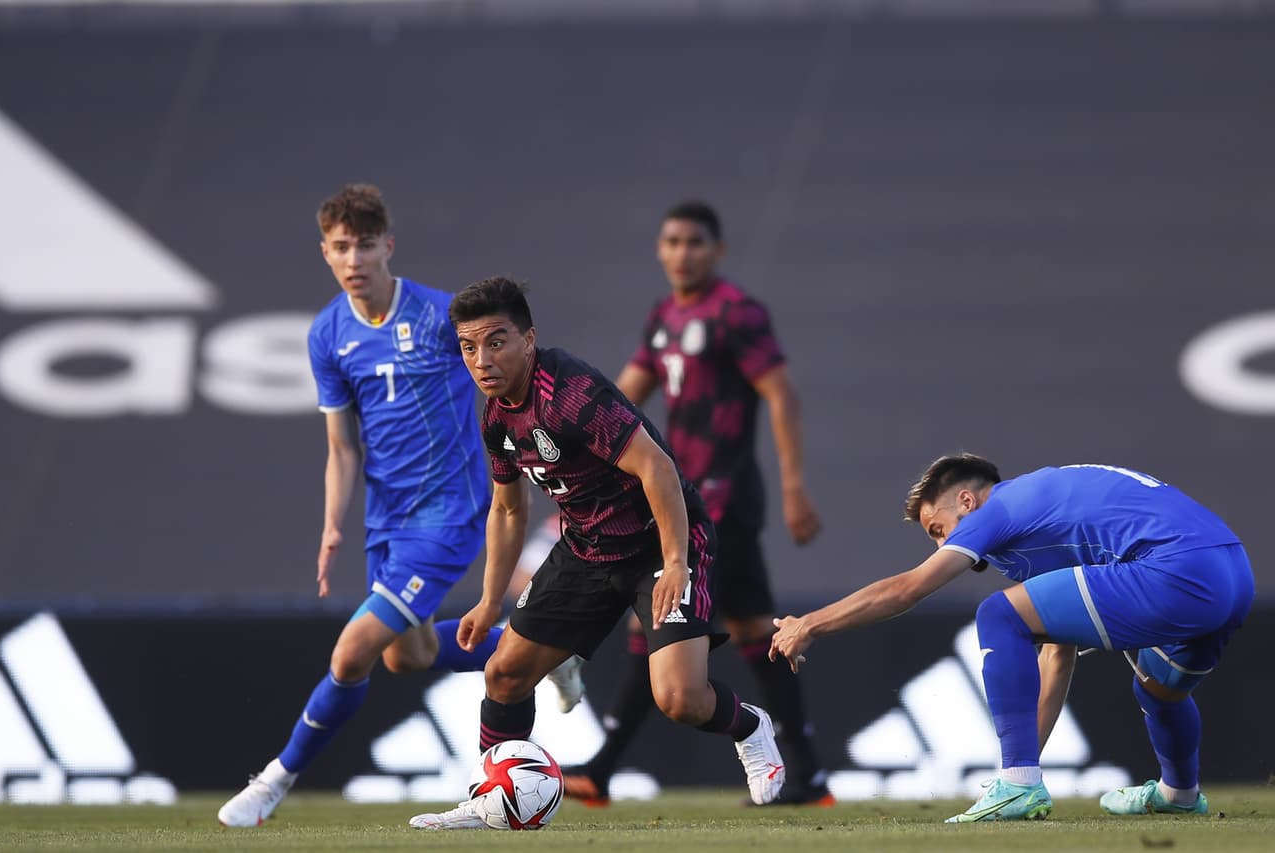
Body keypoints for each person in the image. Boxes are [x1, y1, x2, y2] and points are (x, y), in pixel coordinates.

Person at [217, 186, 581, 827]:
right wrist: (332, 525)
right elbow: (341, 447)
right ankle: (546, 650)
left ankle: (274, 781)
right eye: (339, 248)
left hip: (451, 512)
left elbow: (508, 374)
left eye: (364, 245)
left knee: (352, 651)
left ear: (388, 245)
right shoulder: (327, 335)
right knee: (404, 655)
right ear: (325, 254)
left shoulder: (440, 316)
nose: (353, 258)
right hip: (386, 521)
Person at [409, 276, 786, 830]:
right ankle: (489, 799)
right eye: (469, 347)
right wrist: (490, 601)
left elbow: (657, 467)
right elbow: (508, 511)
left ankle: (750, 726)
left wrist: (677, 563)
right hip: (585, 548)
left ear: (529, 338)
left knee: (681, 699)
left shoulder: (572, 394)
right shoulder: (495, 419)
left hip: (660, 543)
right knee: (504, 674)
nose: (481, 359)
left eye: (496, 341)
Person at [769, 453, 1254, 822]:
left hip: (1175, 568)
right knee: (1159, 690)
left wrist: (810, 623)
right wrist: (1020, 767)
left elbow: (908, 588)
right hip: (1231, 572)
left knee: (998, 614)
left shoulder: (998, 509)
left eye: (938, 530)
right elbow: (1057, 656)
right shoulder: (1047, 512)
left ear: (966, 500)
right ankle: (1179, 796)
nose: (943, 545)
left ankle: (1020, 783)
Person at [562, 200, 830, 806]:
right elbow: (623, 395)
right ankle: (809, 774)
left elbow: (781, 395)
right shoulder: (663, 316)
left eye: (694, 242)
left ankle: (601, 769)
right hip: (685, 497)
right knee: (758, 634)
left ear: (718, 250)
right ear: (660, 249)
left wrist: (793, 486)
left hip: (723, 501)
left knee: (662, 619)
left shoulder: (737, 312)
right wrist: (574, 430)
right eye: (672, 242)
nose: (682, 253)